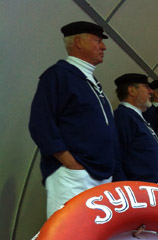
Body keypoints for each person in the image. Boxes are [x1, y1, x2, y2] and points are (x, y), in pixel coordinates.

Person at [29, 21, 118, 218]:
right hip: (75, 174)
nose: (103, 46)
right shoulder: (57, 76)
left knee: (98, 237)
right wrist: (71, 164)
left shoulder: (91, 81)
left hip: (101, 174)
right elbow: (41, 124)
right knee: (70, 234)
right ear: (78, 42)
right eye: (97, 41)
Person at [113, 73, 158, 183]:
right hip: (139, 191)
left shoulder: (138, 118)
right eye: (146, 87)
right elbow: (116, 157)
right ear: (132, 90)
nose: (151, 91)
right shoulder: (123, 117)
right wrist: (125, 190)